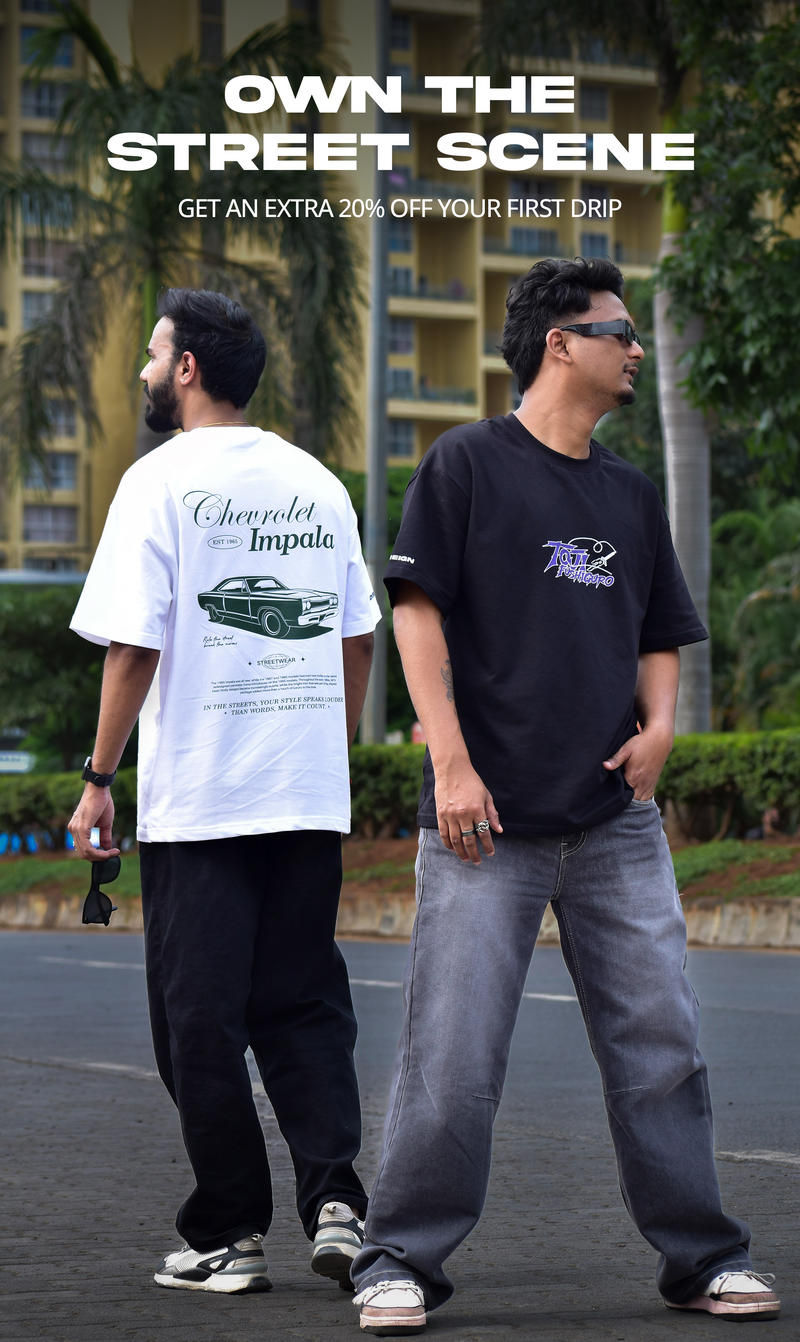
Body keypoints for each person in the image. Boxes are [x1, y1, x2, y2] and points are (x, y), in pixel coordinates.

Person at [351, 258, 780, 1333]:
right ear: (559, 342)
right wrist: (450, 764)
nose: (634, 349)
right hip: (483, 822)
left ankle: (702, 1256)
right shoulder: (464, 464)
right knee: (452, 1057)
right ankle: (398, 1258)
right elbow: (416, 613)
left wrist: (661, 728)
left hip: (613, 825)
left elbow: (658, 629)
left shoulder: (628, 493)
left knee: (662, 1047)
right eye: (618, 331)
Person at [68, 288, 379, 1294]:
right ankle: (337, 1204)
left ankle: (230, 1234)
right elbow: (357, 638)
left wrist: (98, 779)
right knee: (304, 1005)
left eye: (153, 353)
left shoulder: (158, 482)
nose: (144, 369)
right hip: (303, 797)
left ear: (189, 368)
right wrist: (324, 752)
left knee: (198, 1020)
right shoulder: (317, 482)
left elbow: (132, 647)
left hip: (204, 801)